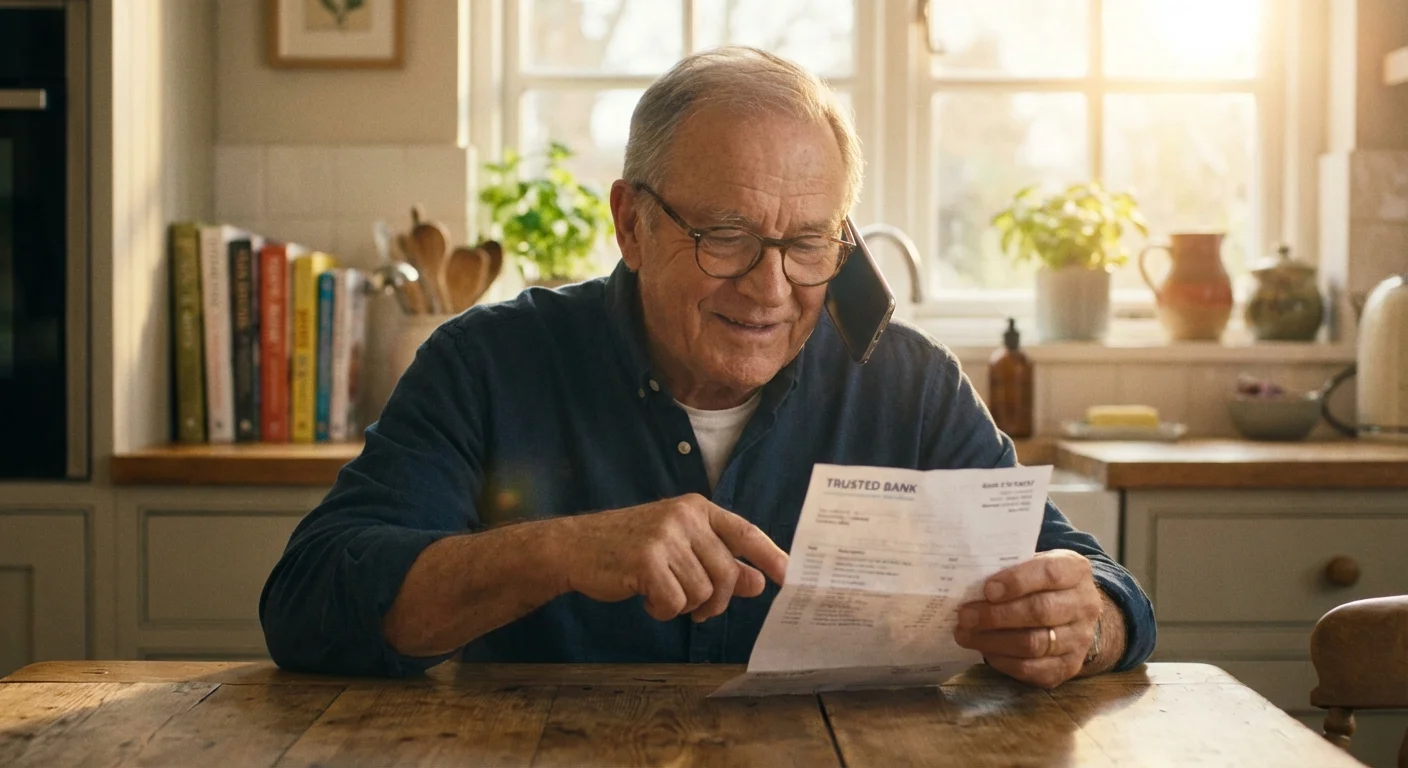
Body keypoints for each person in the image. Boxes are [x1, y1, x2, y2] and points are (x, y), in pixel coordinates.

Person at [260, 46, 1155, 689]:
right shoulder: (486, 364)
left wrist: (1091, 623)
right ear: (631, 224)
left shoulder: (905, 380)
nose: (771, 288)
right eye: (725, 236)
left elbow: (1087, 577)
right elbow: (311, 603)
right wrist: (561, 551)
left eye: (808, 243)